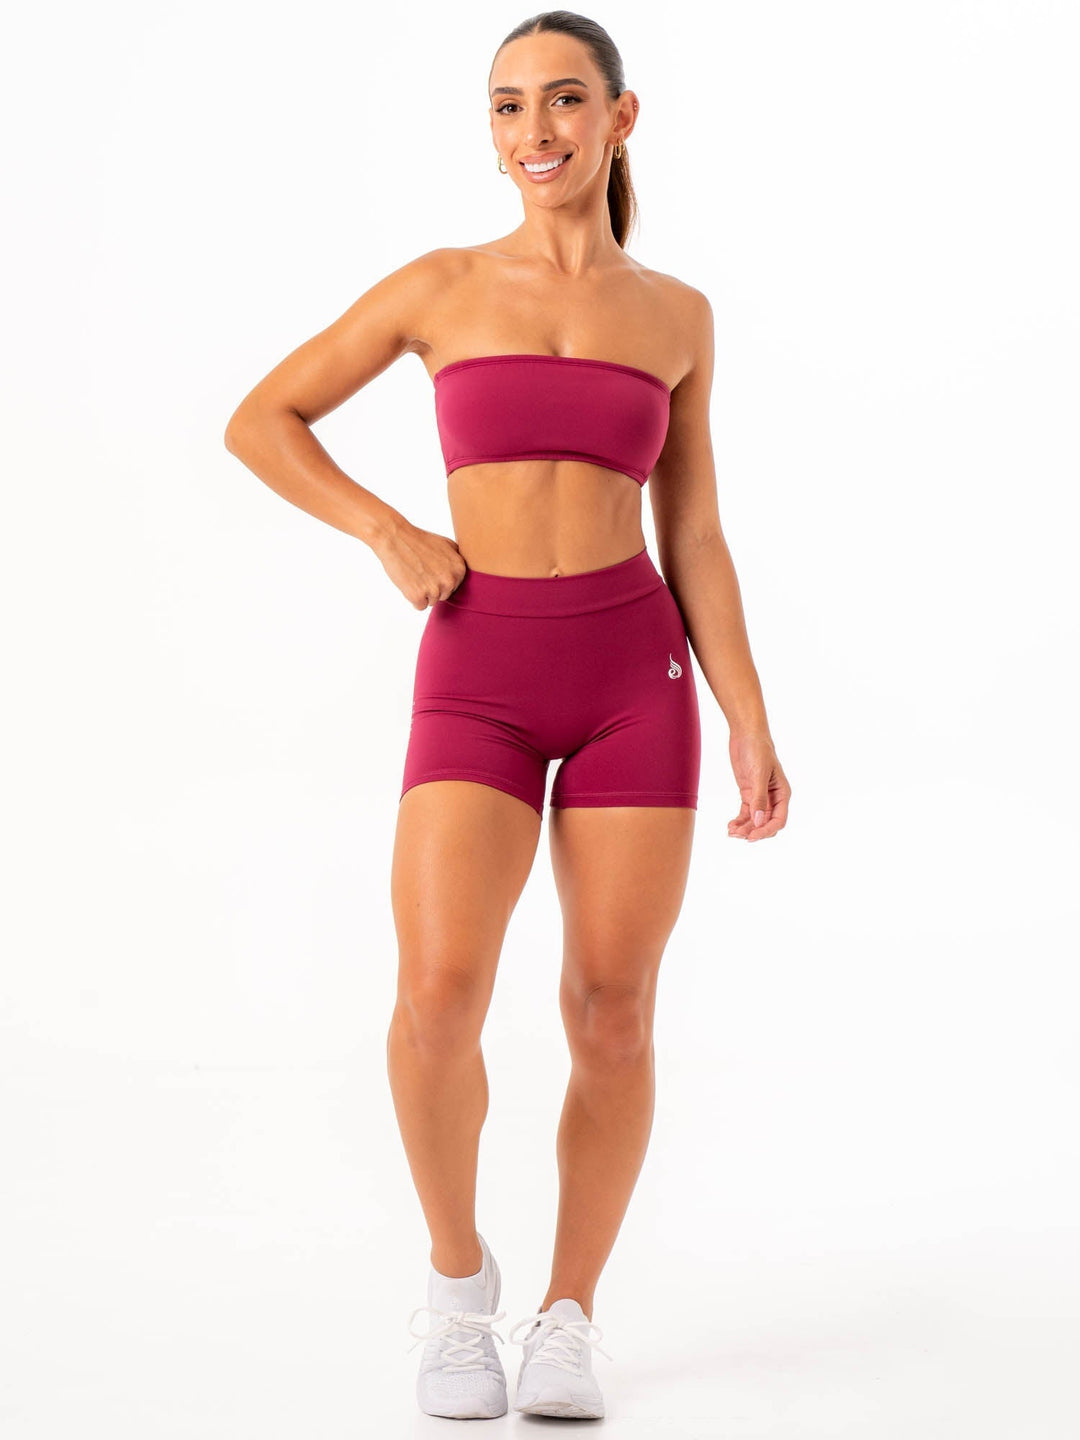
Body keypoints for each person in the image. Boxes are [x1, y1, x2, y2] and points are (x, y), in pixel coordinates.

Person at [225, 9, 791, 1423]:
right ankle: (458, 1286)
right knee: (435, 999)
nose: (534, 131)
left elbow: (696, 532)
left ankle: (570, 1316)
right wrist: (387, 531)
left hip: (632, 681)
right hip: (477, 671)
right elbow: (263, 419)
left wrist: (747, 716)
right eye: (506, 106)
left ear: (620, 118)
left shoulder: (677, 316)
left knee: (613, 1011)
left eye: (563, 101)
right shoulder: (442, 286)